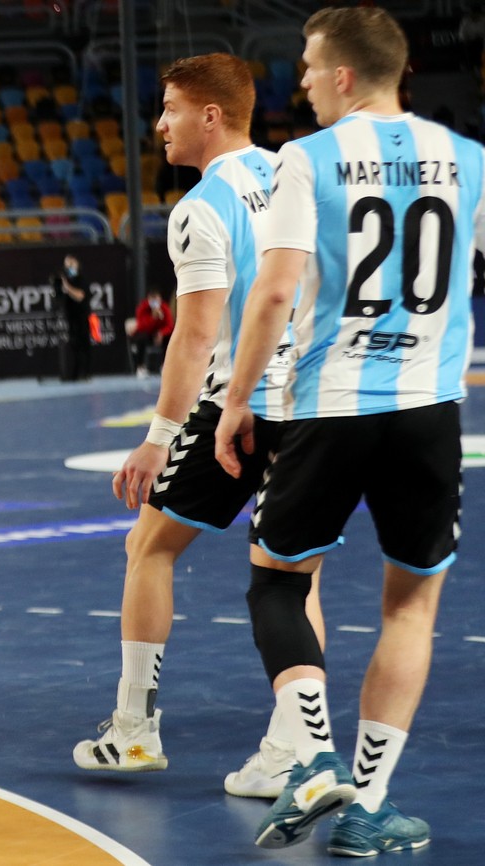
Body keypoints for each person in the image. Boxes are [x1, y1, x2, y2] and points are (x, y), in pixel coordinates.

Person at [213, 8, 475, 854]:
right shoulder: (468, 161)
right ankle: (368, 806)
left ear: (346, 77)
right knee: (412, 605)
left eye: (308, 64)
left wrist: (238, 399)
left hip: (332, 405)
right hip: (430, 410)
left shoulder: (307, 159)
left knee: (277, 581)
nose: (300, 80)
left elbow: (274, 289)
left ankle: (316, 755)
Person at [72, 53, 328, 801]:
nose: (159, 123)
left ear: (210, 116)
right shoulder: (296, 174)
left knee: (148, 544)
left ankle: (134, 729)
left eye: (171, 108)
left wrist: (157, 438)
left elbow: (194, 336)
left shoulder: (202, 207)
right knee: (293, 572)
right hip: (313, 402)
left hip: (237, 406)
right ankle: (297, 742)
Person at [53, 255, 91, 381]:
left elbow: (80, 296)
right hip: (70, 318)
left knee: (83, 346)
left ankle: (84, 374)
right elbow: (58, 296)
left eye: (71, 264)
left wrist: (67, 287)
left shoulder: (82, 279)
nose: (69, 267)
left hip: (83, 317)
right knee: (73, 346)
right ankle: (72, 375)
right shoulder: (63, 279)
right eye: (67, 264)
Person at [129, 287, 175, 375]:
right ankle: (140, 367)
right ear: (148, 299)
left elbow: (169, 326)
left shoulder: (164, 308)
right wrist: (153, 318)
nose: (154, 302)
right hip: (147, 333)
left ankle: (164, 365)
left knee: (169, 338)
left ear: (160, 299)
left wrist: (161, 333)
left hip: (160, 334)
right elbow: (141, 326)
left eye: (156, 299)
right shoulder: (142, 308)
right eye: (152, 299)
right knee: (140, 338)